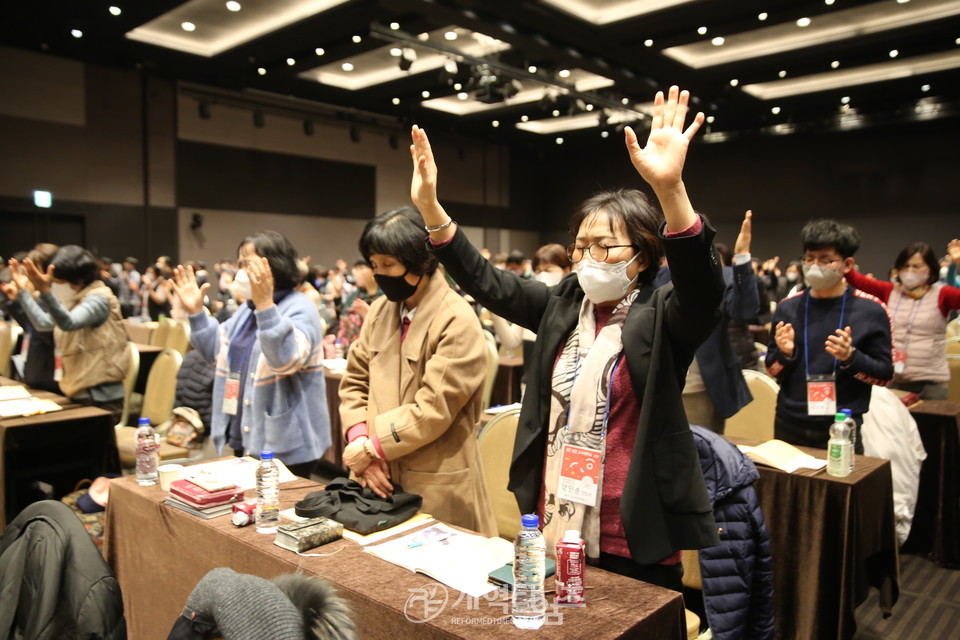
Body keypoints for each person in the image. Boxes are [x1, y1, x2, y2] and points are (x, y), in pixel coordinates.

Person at [412, 86, 724, 591]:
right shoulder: (562, 307)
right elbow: (487, 281)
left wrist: (671, 191)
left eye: (604, 246)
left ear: (641, 257)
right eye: (580, 247)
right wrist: (431, 209)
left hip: (630, 530)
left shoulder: (663, 314)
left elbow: (705, 292)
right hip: (552, 518)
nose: (587, 259)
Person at [338, 207, 497, 537]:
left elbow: (433, 410)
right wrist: (359, 441)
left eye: (388, 265)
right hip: (376, 477)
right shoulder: (381, 310)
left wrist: (371, 448)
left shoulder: (457, 319)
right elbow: (354, 380)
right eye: (374, 265)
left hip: (435, 482)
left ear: (421, 262)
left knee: (432, 584)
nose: (379, 274)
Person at [170, 230, 330, 478]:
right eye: (240, 263)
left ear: (275, 265)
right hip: (246, 430)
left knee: (278, 513)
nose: (241, 270)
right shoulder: (247, 309)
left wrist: (266, 307)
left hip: (286, 442)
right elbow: (216, 352)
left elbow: (285, 360)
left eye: (249, 263)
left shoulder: (300, 307)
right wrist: (196, 313)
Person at [766, 220, 893, 452]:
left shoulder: (872, 310)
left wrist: (851, 357)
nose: (815, 266)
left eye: (826, 260)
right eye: (809, 258)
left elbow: (885, 376)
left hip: (841, 426)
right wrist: (785, 354)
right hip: (789, 421)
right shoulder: (788, 307)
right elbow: (771, 369)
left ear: (847, 264)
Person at [7, 246, 129, 420]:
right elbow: (43, 324)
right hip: (78, 390)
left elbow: (69, 323)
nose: (55, 285)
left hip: (101, 397)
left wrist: (45, 291)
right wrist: (22, 294)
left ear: (77, 280)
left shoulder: (99, 298)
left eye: (58, 281)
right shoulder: (74, 299)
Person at [844, 241, 960, 400]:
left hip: (930, 383)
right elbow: (857, 280)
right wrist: (843, 260)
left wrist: (957, 263)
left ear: (930, 269)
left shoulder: (942, 294)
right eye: (905, 266)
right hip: (894, 380)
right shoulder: (891, 291)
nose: (910, 271)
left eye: (916, 266)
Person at [678, 210, 760, 433]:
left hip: (704, 388)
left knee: (704, 458)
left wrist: (742, 257)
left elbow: (746, 312)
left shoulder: (724, 275)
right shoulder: (660, 276)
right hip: (664, 389)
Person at [490, 243, 571, 371]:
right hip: (529, 381)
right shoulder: (533, 303)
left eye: (548, 270)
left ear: (567, 270)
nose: (542, 274)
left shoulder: (574, 306)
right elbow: (512, 342)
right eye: (538, 271)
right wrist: (494, 308)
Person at [0, 243, 60, 392]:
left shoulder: (58, 297)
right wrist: (16, 301)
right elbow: (31, 326)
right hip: (37, 371)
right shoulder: (43, 296)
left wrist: (24, 295)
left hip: (51, 375)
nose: (30, 275)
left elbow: (46, 331)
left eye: (35, 269)